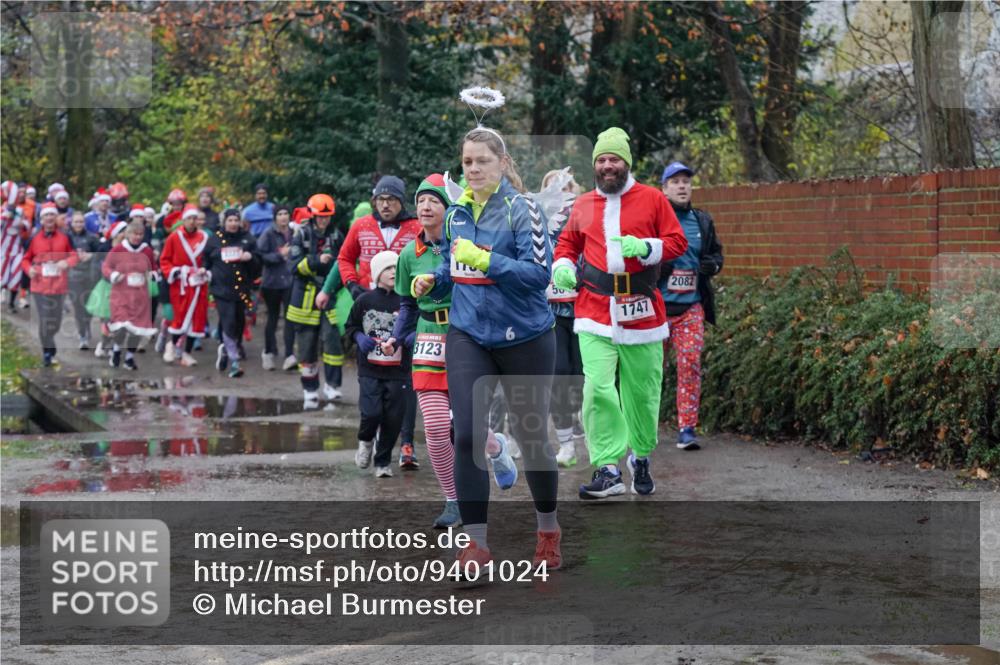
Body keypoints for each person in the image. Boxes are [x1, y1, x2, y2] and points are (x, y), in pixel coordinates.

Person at [412, 126, 561, 570]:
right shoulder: (456, 211)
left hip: (526, 337)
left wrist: (485, 260)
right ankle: (476, 544)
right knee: (468, 434)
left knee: (533, 439)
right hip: (469, 333)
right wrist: (434, 277)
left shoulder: (524, 210)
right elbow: (449, 259)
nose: (473, 169)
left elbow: (539, 275)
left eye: (482, 161)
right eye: (467, 162)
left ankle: (548, 529)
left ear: (503, 163)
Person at [552, 127, 687, 499]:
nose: (607, 166)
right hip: (594, 309)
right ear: (594, 164)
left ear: (626, 163)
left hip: (642, 311)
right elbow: (566, 243)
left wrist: (645, 247)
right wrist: (562, 265)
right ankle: (607, 468)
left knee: (642, 393)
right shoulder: (582, 205)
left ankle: (640, 456)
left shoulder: (653, 199)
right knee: (596, 388)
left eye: (614, 159)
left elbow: (678, 242)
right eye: (601, 160)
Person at [387, 174, 460, 525]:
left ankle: (496, 448)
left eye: (434, 200)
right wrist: (398, 337)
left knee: (465, 427)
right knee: (433, 427)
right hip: (428, 338)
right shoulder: (407, 254)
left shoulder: (463, 244)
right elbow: (406, 305)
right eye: (421, 201)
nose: (426, 206)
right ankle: (453, 500)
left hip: (465, 334)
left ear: (448, 209)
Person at [337, 175, 422, 460]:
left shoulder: (416, 227)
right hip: (369, 307)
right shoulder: (361, 225)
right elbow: (344, 258)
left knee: (406, 376)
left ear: (401, 201)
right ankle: (371, 433)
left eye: (392, 200)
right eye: (380, 200)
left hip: (406, 307)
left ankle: (406, 443)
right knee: (371, 373)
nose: (385, 205)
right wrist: (351, 285)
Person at [658, 162, 724, 450]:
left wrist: (711, 265)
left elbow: (716, 255)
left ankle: (687, 428)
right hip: (655, 310)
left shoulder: (702, 221)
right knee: (649, 372)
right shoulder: (654, 220)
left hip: (691, 308)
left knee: (690, 365)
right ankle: (640, 426)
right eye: (675, 181)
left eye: (686, 181)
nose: (682, 186)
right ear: (664, 188)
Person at [344, 251, 412, 478]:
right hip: (369, 369)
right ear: (377, 274)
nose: (393, 272)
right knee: (372, 413)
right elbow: (350, 326)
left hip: (398, 370)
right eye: (387, 268)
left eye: (396, 268)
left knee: (393, 418)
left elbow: (415, 327)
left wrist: (408, 339)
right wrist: (359, 338)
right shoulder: (364, 300)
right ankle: (365, 441)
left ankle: (382, 461)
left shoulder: (406, 302)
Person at [539, 169, 587, 467]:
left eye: (566, 187)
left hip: (586, 310)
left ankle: (593, 433)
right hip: (551, 312)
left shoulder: (588, 221)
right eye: (552, 188)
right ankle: (566, 444)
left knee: (587, 378)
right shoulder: (536, 227)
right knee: (558, 376)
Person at [287, 193, 344, 408]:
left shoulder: (337, 236)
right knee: (306, 347)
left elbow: (344, 263)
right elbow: (293, 267)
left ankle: (333, 386)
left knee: (332, 343)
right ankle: (310, 389)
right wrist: (315, 261)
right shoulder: (301, 234)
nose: (324, 220)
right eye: (320, 216)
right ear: (312, 215)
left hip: (330, 298)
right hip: (305, 299)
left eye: (327, 216)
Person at [204, 208, 261, 378]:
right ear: (224, 222)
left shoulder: (247, 238)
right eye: (230, 220)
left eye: (236, 220)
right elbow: (206, 260)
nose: (233, 224)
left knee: (239, 320)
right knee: (228, 320)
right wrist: (207, 271)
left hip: (242, 288)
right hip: (221, 288)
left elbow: (258, 261)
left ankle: (228, 347)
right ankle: (234, 361)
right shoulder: (215, 239)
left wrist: (249, 257)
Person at [21, 202, 78, 366]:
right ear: (41, 219)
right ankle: (47, 350)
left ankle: (49, 340)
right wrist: (29, 269)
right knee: (46, 319)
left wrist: (67, 262)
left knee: (56, 321)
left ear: (56, 218)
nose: (49, 218)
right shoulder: (33, 238)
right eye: (46, 215)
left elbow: (74, 255)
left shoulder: (65, 237)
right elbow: (25, 259)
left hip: (59, 285)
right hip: (39, 285)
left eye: (52, 215)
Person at [159, 204, 210, 366]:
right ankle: (173, 346)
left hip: (199, 284)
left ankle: (187, 352)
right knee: (180, 316)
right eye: (189, 218)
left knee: (197, 318)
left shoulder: (205, 238)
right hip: (181, 284)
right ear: (183, 220)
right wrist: (175, 272)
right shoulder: (174, 237)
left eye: (195, 218)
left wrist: (206, 270)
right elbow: (164, 260)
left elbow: (210, 258)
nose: (192, 222)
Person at [103, 220, 157, 370]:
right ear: (127, 234)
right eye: (135, 234)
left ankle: (129, 358)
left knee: (136, 329)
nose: (137, 237)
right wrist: (113, 274)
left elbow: (153, 267)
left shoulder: (147, 251)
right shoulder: (118, 250)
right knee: (122, 327)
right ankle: (116, 350)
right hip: (121, 294)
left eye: (140, 234)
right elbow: (106, 267)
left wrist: (152, 275)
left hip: (140, 296)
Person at [256, 205, 297, 371]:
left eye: (286, 213)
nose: (283, 217)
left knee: (290, 318)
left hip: (290, 281)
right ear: (275, 217)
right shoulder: (268, 233)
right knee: (272, 317)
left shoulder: (295, 233)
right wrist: (280, 255)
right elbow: (260, 256)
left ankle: (289, 355)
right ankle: (268, 352)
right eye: (280, 214)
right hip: (271, 283)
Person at [66, 210, 101, 349]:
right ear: (71, 223)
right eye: (76, 222)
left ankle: (86, 326)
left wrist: (91, 256)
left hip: (90, 275)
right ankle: (82, 334)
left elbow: (101, 252)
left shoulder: (92, 237)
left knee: (88, 307)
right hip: (73, 276)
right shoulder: (66, 237)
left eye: (81, 221)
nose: (78, 224)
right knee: (78, 306)